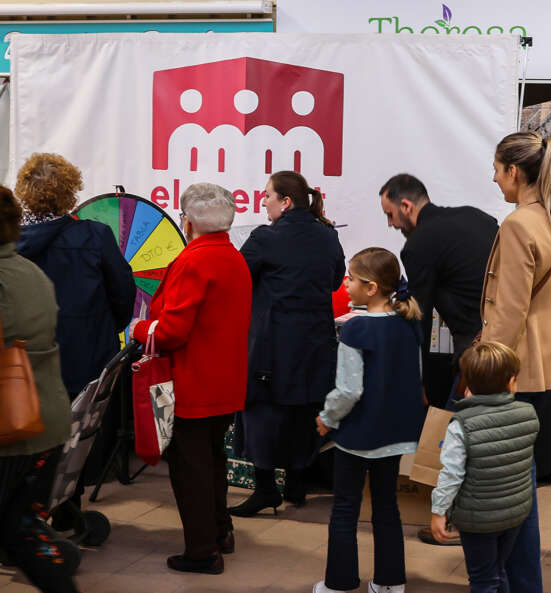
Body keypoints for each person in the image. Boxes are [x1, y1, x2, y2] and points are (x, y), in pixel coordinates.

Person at [128, 183, 252, 574]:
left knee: (190, 469)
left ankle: (202, 551)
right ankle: (221, 531)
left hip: (193, 381)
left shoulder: (193, 261)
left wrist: (137, 328)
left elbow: (171, 332)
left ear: (188, 221)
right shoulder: (234, 257)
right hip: (226, 380)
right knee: (212, 460)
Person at [483, 131, 551, 593]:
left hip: (515, 367)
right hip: (547, 362)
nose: (494, 179)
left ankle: (517, 581)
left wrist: (485, 373)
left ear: (514, 172)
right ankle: (520, 579)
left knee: (510, 484)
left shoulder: (519, 224)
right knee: (522, 479)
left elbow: (509, 310)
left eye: (497, 170)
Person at [230, 171, 346, 516]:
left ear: (285, 201)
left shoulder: (266, 237)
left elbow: (238, 279)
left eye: (267, 195)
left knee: (260, 416)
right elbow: (335, 281)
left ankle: (266, 489)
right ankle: (296, 485)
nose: (263, 201)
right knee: (304, 413)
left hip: (272, 346)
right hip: (315, 344)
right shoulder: (328, 235)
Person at [313, 248, 426, 593]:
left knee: (345, 508)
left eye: (351, 278)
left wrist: (327, 417)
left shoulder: (356, 329)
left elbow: (349, 390)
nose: (345, 284)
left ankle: (339, 583)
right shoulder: (409, 322)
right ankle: (390, 583)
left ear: (371, 288)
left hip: (358, 434)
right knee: (387, 506)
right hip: (395, 433)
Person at [0, 185, 80, 593]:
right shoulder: (31, 273)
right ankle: (60, 567)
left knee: (17, 530)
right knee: (21, 527)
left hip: (11, 425)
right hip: (47, 419)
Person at [15, 153, 135, 399]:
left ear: (24, 192)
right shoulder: (95, 236)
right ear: (70, 190)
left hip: (28, 370)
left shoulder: (9, 243)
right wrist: (105, 328)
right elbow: (123, 294)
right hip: (90, 363)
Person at [378, 173, 498, 407]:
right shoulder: (477, 217)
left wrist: (423, 383)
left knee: (457, 422)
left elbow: (419, 317)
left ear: (406, 206)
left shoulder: (418, 244)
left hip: (476, 351)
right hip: (510, 337)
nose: (391, 224)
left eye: (390, 215)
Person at [430, 342, 540, 593]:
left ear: (468, 386)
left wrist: (438, 511)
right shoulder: (528, 413)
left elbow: (451, 474)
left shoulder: (461, 424)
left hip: (477, 519)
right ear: (511, 383)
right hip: (516, 512)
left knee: (483, 579)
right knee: (499, 569)